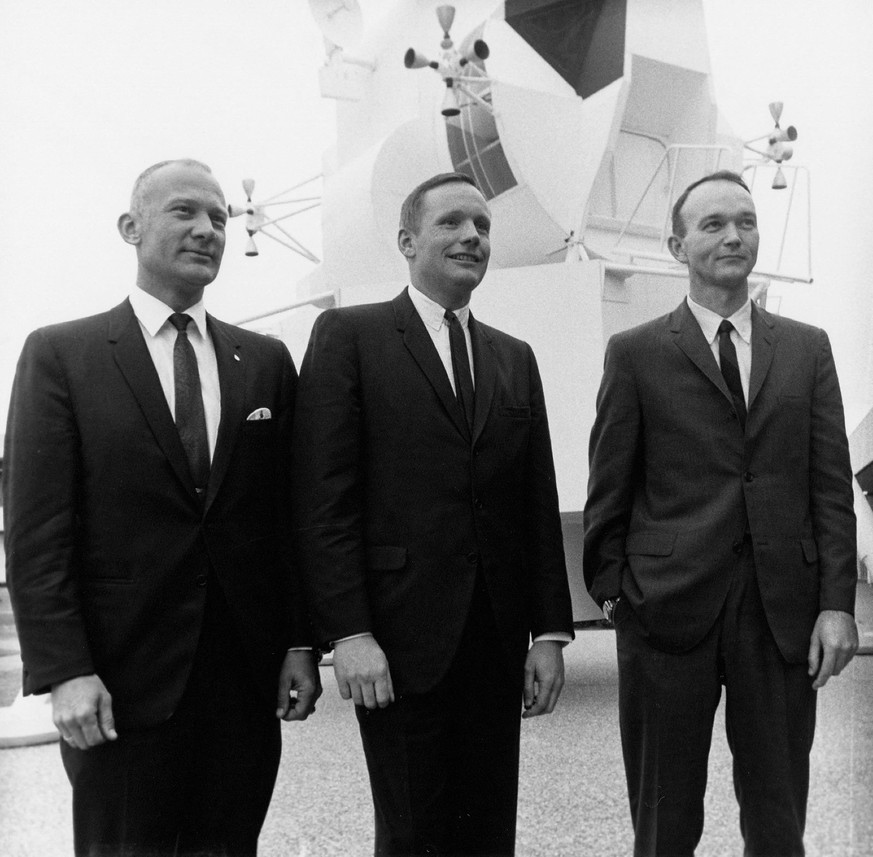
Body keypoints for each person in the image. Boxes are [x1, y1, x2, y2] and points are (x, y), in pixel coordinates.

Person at [3, 158, 321, 857]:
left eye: (219, 217)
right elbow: (37, 531)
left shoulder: (263, 360)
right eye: (184, 211)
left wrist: (300, 642)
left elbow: (285, 519)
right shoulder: (63, 355)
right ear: (131, 227)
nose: (207, 229)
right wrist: (65, 670)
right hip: (119, 685)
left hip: (241, 685)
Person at [292, 172, 574, 856]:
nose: (472, 236)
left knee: (487, 832)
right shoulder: (348, 337)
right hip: (397, 639)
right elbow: (322, 498)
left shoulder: (513, 358)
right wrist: (348, 630)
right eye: (451, 222)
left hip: (495, 638)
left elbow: (533, 500)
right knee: (413, 831)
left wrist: (550, 633)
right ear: (406, 240)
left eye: (481, 226)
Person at [583, 170, 859, 857]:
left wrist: (834, 604)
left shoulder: (805, 347)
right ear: (676, 245)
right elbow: (608, 487)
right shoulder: (636, 352)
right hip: (665, 611)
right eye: (711, 224)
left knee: (776, 815)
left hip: (779, 612)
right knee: (663, 817)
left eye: (744, 220)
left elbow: (829, 486)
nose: (733, 235)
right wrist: (618, 594)